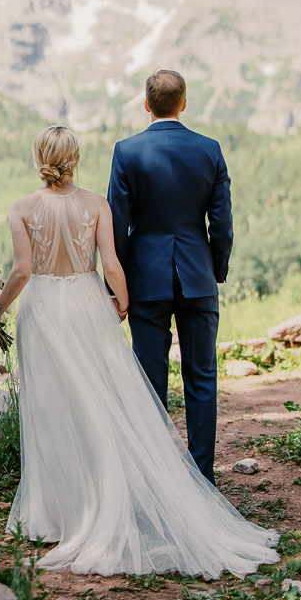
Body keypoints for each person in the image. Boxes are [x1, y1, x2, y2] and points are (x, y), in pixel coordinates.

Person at [0, 124, 278, 578]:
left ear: (38, 158)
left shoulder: (24, 207)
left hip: (48, 308)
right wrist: (122, 298)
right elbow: (113, 260)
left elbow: (23, 269)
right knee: (122, 395)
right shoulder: (100, 202)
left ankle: (57, 511)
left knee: (55, 402)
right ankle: (172, 484)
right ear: (75, 158)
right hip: (106, 299)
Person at [107, 69, 231, 485]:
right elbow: (223, 223)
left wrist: (118, 287)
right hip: (197, 277)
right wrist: (216, 268)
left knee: (149, 381)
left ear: (146, 104)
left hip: (145, 279)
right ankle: (203, 479)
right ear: (183, 103)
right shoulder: (209, 149)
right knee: (201, 377)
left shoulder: (126, 151)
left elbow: (117, 225)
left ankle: (156, 483)